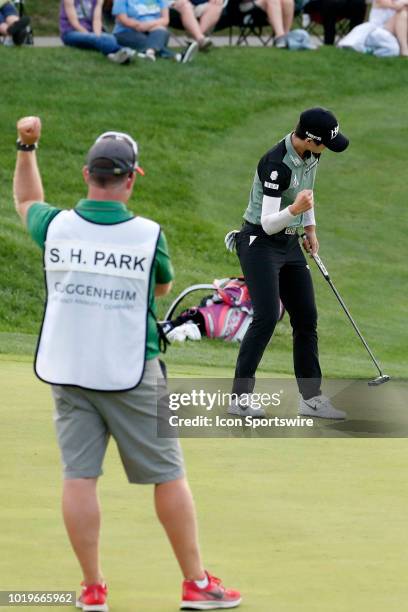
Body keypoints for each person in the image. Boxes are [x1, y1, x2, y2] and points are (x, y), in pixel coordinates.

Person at [13, 116, 241, 612]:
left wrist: (26, 147)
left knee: (79, 476)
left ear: (85, 174)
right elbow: (159, 289)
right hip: (134, 371)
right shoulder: (148, 235)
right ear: (133, 177)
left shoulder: (55, 226)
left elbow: (26, 201)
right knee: (167, 476)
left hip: (69, 372)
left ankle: (92, 590)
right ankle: (196, 584)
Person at [226, 107, 349, 420]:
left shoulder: (312, 155)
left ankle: (311, 399)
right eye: (325, 144)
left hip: (290, 242)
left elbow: (307, 195)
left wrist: (310, 229)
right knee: (266, 317)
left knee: (306, 318)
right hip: (259, 242)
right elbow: (267, 224)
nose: (327, 151)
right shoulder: (275, 164)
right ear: (310, 139)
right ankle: (239, 399)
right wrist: (295, 210)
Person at [112, 0, 199, 62]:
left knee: (161, 30)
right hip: (127, 31)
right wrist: (138, 25)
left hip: (153, 29)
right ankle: (177, 56)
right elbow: (122, 19)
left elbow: (165, 20)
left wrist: (149, 25)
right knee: (147, 40)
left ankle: (149, 53)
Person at [60, 0, 135, 64]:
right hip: (71, 33)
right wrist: (91, 36)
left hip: (91, 33)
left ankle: (118, 54)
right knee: (107, 38)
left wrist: (97, 36)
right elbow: (74, 23)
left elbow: (96, 20)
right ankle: (121, 51)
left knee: (107, 38)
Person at [303, 0, 367, 46]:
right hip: (318, 5)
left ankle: (353, 43)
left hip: (341, 4)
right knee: (330, 3)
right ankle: (328, 44)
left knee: (359, 3)